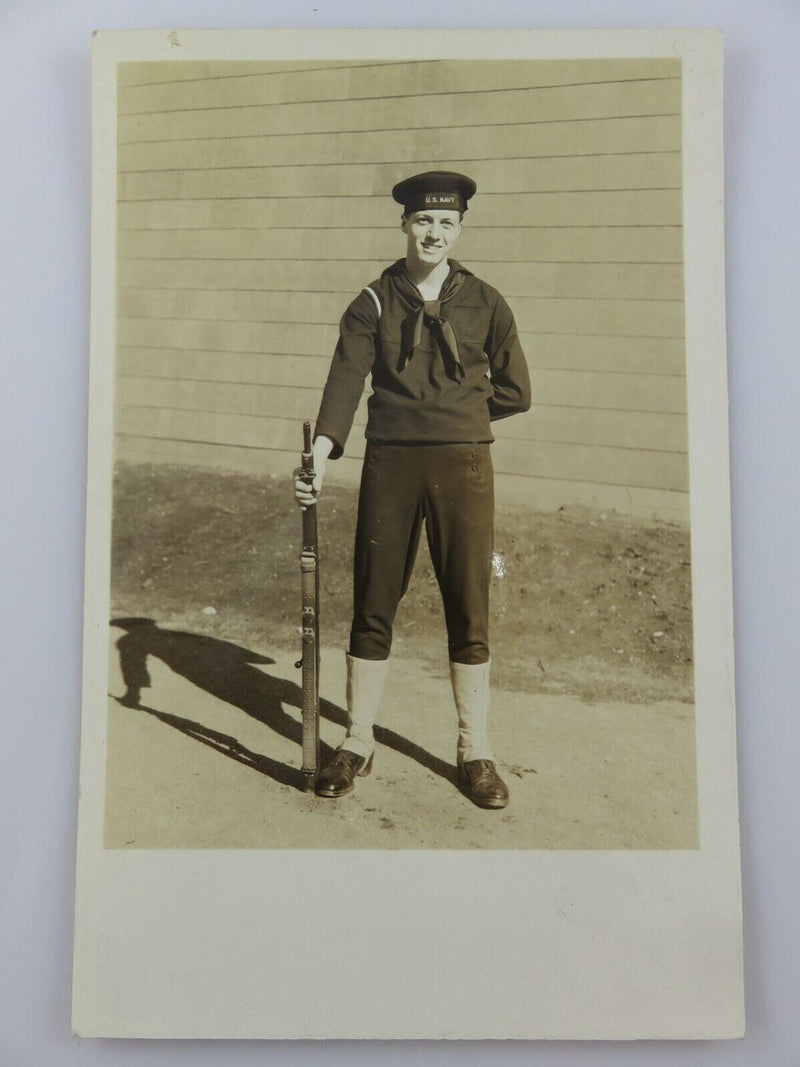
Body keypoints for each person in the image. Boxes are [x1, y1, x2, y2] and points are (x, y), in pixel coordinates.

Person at [293, 170, 531, 808]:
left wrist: (460, 415)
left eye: (446, 223)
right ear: (404, 224)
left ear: (460, 229)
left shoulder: (486, 301)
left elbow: (517, 391)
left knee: (469, 605)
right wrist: (320, 457)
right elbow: (345, 383)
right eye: (424, 220)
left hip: (465, 466)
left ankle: (474, 750)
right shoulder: (372, 302)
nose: (434, 233)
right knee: (374, 600)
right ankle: (358, 740)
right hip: (390, 465)